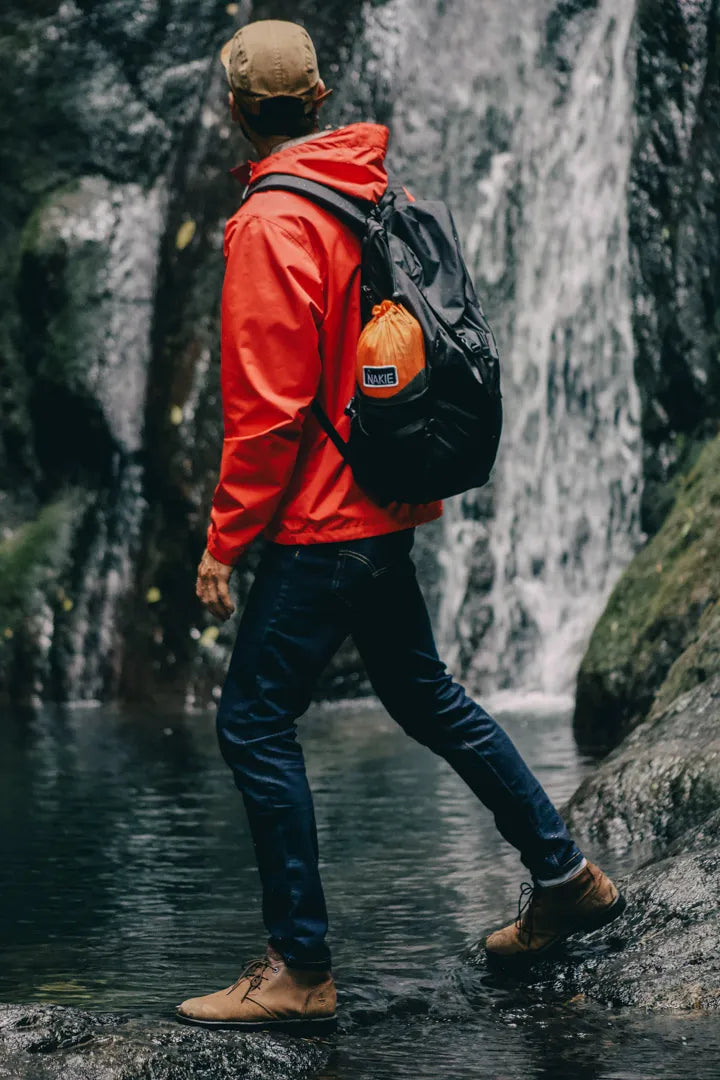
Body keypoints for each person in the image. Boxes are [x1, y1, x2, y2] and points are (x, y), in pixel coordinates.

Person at [177, 19, 626, 1033]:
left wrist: (224, 540)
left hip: (319, 523)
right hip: (382, 506)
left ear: (236, 109)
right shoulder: (377, 193)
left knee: (251, 720)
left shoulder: (271, 224)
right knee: (426, 695)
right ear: (323, 94)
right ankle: (565, 878)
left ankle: (300, 968)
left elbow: (267, 408)